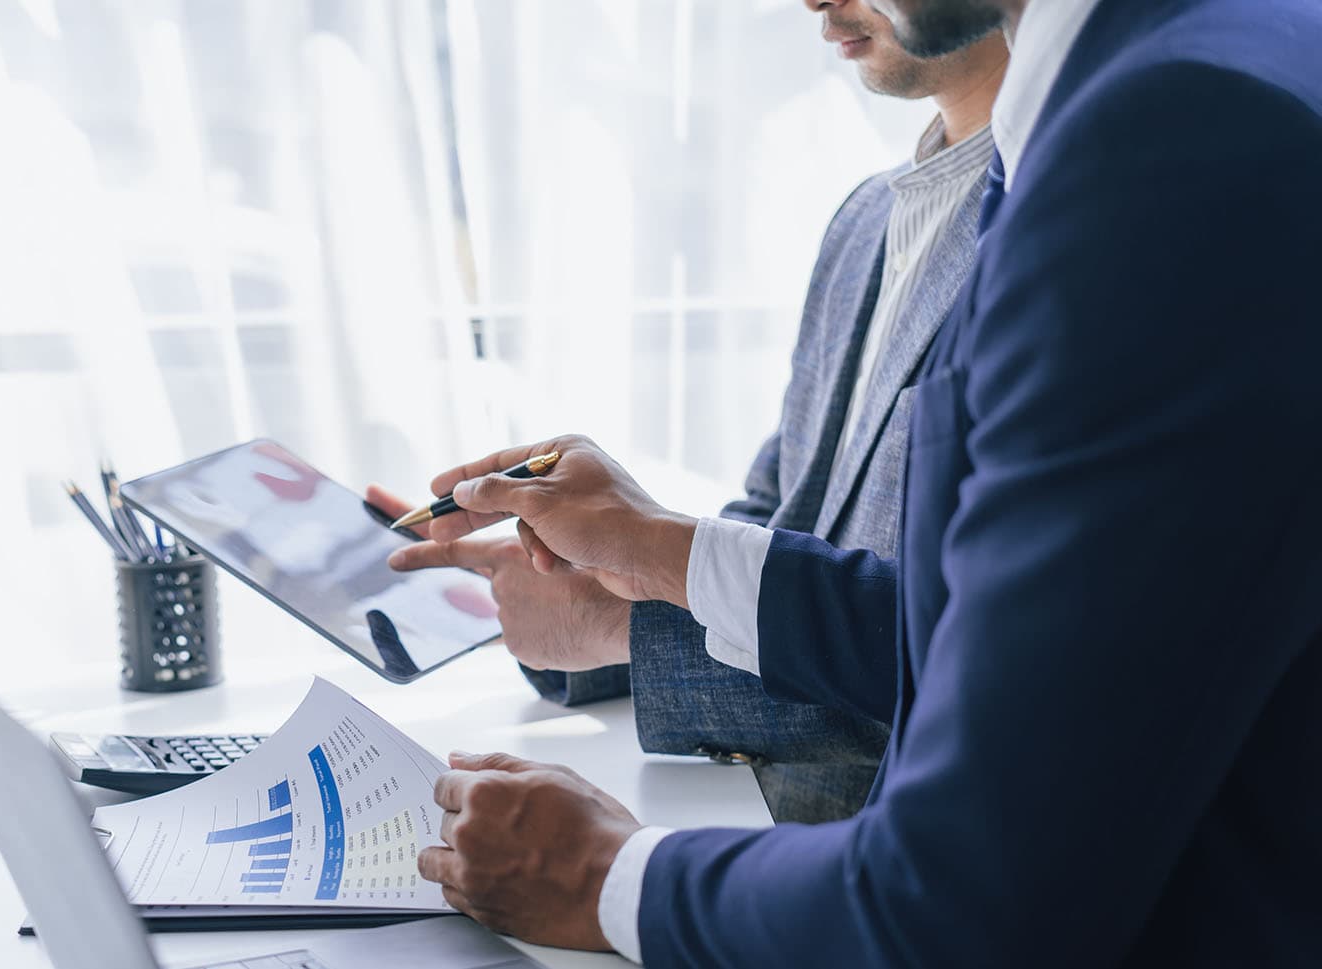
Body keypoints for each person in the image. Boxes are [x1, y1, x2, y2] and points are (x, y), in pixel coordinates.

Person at [394, 0, 1322, 964]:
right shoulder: (1156, 90)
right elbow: (976, 617)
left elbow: (966, 893)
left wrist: (604, 876)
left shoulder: (1169, 140)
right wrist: (656, 555)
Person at [370, 0, 1009, 824]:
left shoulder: (1063, 236)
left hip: (886, 869)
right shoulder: (866, 220)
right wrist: (592, 579)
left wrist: (623, 624)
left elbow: (965, 660)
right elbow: (778, 522)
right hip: (751, 826)